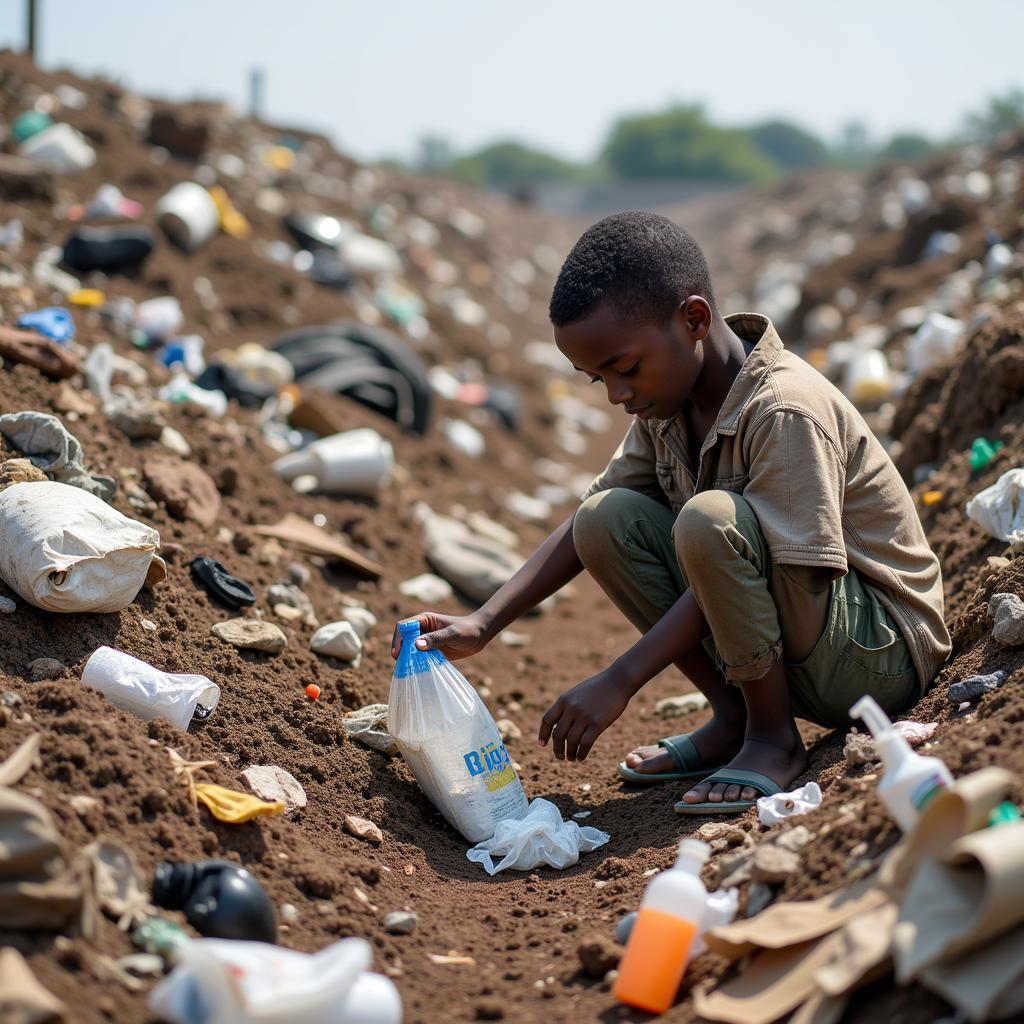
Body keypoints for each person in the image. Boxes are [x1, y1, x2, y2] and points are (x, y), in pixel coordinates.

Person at [391, 212, 951, 816]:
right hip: (810, 645)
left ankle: (773, 738)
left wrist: (621, 679)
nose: (616, 395)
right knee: (606, 518)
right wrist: (485, 622)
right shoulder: (666, 408)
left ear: (694, 319)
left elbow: (797, 567)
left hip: (877, 656)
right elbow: (589, 523)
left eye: (625, 368)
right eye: (596, 378)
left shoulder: (786, 409)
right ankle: (737, 717)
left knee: (710, 521)